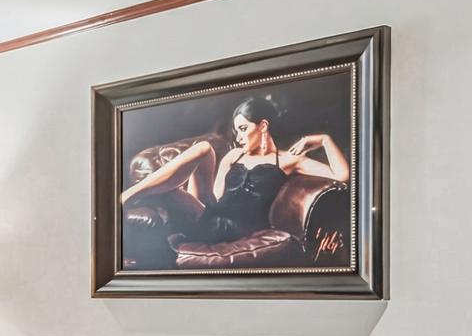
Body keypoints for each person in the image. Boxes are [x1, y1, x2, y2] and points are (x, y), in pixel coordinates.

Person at [119, 93, 347, 244]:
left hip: (234, 230)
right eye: (236, 131)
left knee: (170, 191)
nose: (238, 137)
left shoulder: (288, 160)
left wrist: (324, 140)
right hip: (213, 217)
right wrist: (187, 195)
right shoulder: (233, 155)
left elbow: (342, 175)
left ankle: (132, 196)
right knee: (204, 149)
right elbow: (216, 198)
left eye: (243, 128)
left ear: (263, 126)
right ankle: (129, 195)